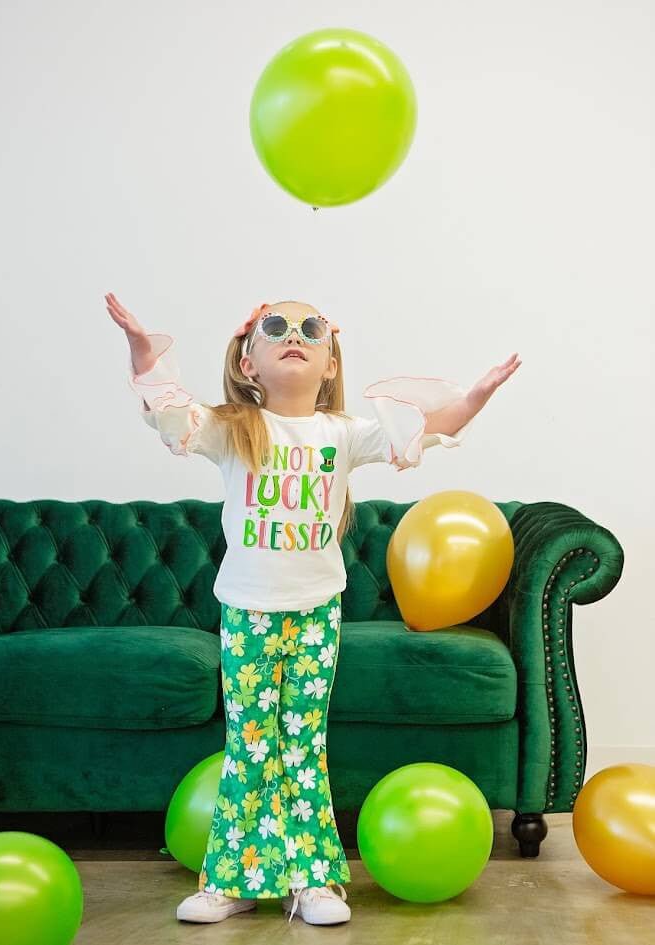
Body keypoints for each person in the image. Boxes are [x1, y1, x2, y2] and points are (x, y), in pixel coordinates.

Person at [106, 292, 521, 925]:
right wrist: (141, 347)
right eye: (275, 328)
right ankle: (232, 878)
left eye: (311, 328)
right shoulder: (232, 428)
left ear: (330, 363)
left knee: (303, 744)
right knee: (250, 745)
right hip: (247, 610)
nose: (293, 334)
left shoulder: (344, 435)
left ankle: (314, 879)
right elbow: (166, 409)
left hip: (315, 614)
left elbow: (437, 426)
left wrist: (480, 394)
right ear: (249, 362)